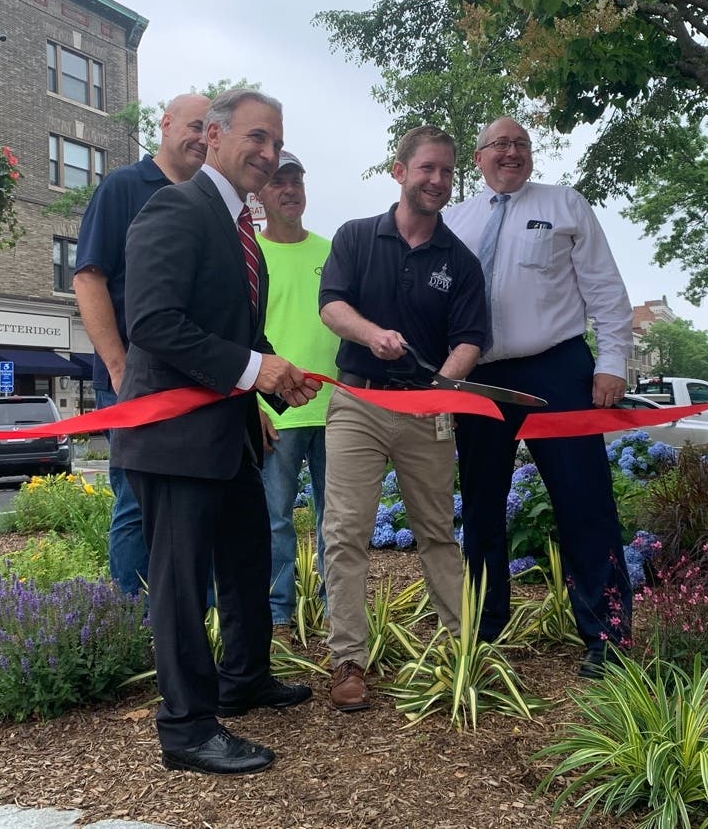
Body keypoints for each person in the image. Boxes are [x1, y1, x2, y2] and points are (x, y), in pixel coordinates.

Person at [111, 88, 319, 775]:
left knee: (247, 557)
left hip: (229, 433)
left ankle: (243, 678)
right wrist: (256, 368)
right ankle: (187, 727)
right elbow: (154, 323)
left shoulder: (239, 227)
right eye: (256, 137)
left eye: (276, 143)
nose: (267, 153)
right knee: (180, 581)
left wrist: (274, 383)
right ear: (217, 137)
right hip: (173, 438)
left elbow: (235, 332)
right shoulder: (176, 207)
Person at [443, 116, 634, 678]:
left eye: (521, 144)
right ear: (477, 159)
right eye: (499, 145)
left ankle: (608, 634)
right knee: (480, 504)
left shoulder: (565, 204)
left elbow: (604, 286)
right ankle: (483, 626)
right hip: (479, 376)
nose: (511, 152)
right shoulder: (455, 219)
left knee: (585, 500)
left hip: (559, 369)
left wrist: (613, 361)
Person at [318, 125, 487, 712]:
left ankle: (463, 647)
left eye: (446, 171)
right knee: (344, 531)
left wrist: (441, 386)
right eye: (426, 169)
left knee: (438, 533)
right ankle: (348, 661)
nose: (437, 180)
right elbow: (332, 307)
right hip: (358, 401)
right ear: (400, 170)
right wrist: (373, 335)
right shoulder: (357, 237)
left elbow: (471, 340)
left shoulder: (460, 261)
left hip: (426, 409)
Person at [74, 92, 210, 597]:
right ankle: (134, 629)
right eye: (194, 124)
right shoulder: (125, 187)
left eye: (210, 128)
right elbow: (89, 278)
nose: (202, 136)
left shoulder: (210, 200)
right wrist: (118, 366)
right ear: (166, 123)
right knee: (136, 500)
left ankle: (193, 628)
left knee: (197, 499)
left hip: (198, 380)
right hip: (134, 377)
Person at [254, 150, 339, 639]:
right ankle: (278, 613)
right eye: (279, 182)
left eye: (296, 181)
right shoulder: (251, 256)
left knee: (338, 523)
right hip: (275, 413)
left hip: (336, 412)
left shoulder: (332, 253)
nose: (289, 190)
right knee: (274, 522)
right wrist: (254, 405)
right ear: (260, 194)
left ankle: (337, 609)